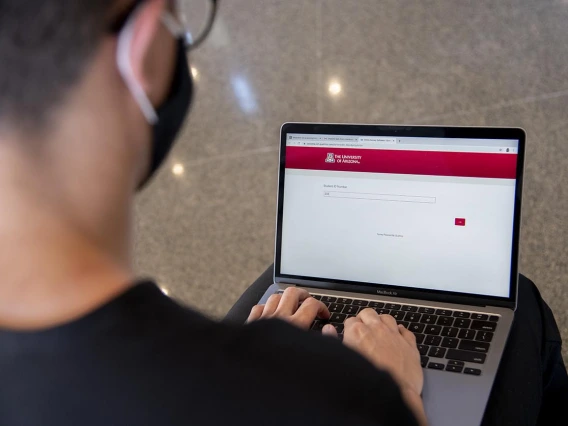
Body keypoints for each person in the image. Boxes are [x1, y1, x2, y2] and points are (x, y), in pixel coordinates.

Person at [0, 1, 565, 425]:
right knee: (523, 305)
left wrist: (250, 357)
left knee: (279, 285)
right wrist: (391, 394)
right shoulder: (329, 399)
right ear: (143, 47)